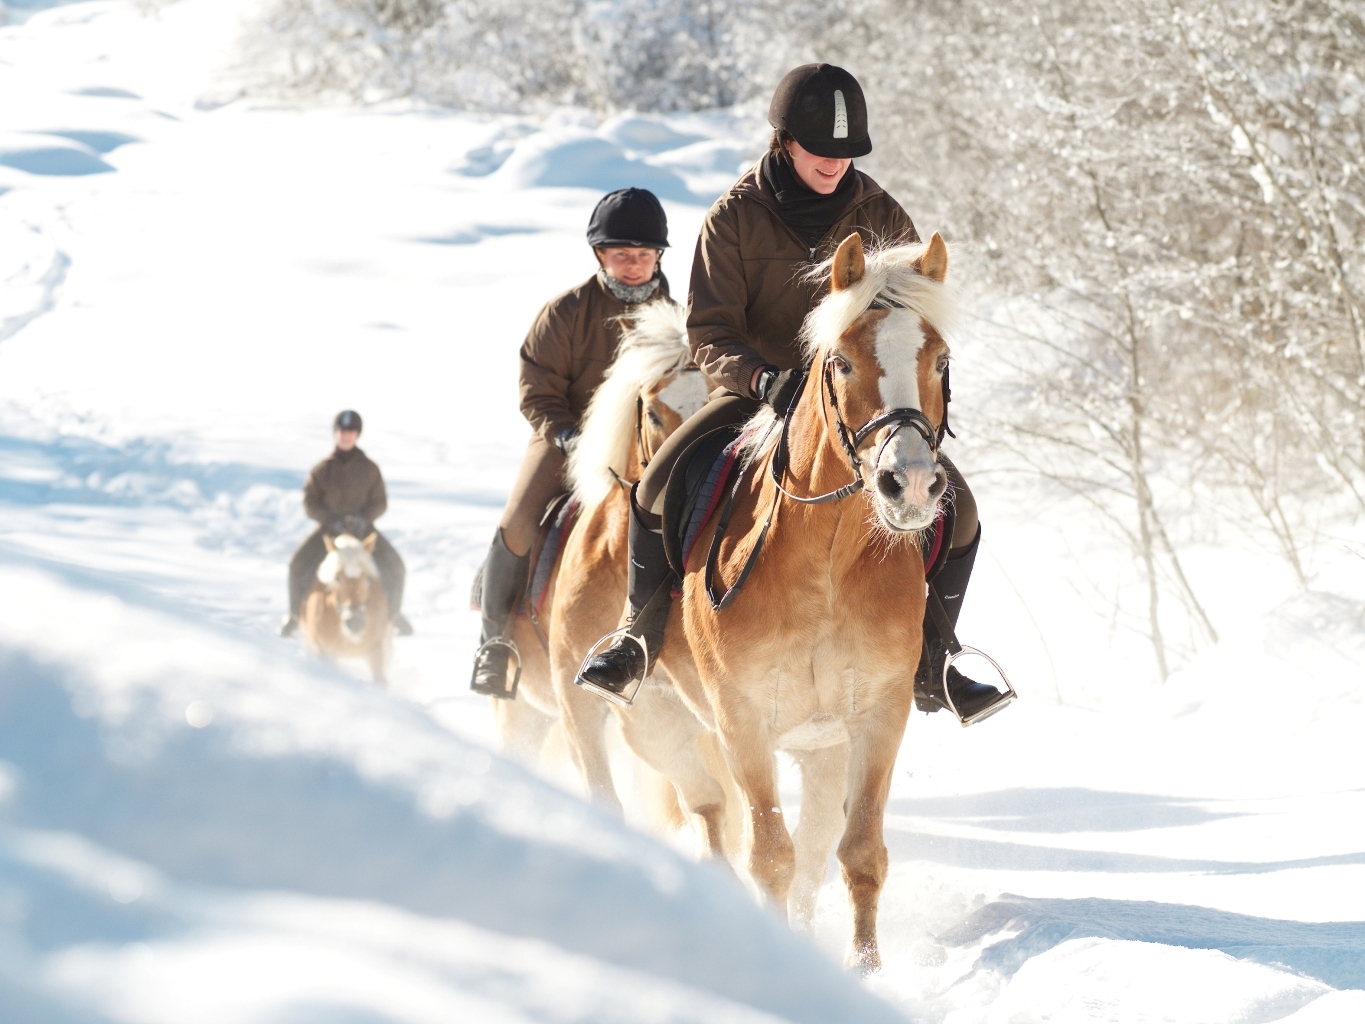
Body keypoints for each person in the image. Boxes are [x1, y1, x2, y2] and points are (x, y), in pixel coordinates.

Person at [579, 63, 1011, 725]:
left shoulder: (878, 211)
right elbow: (708, 328)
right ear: (784, 141)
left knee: (964, 511)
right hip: (757, 393)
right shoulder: (734, 216)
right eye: (820, 149)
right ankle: (638, 635)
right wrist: (758, 378)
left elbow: (908, 316)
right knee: (656, 486)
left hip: (858, 407)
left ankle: (935, 659)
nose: (835, 163)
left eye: (846, 152)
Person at [469, 188, 674, 697]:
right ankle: (495, 643)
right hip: (567, 442)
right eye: (621, 255)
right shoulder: (564, 313)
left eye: (643, 256)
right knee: (518, 519)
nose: (633, 266)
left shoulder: (676, 318)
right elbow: (536, 392)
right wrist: (567, 436)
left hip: (652, 447)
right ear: (600, 255)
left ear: (658, 258)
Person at [279, 409, 412, 638]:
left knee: (396, 566)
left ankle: (395, 614)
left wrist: (363, 519)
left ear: (357, 434)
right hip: (329, 531)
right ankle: (294, 615)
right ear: (335, 433)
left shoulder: (369, 468)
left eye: (350, 431)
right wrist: (330, 520)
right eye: (342, 431)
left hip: (363, 531)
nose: (345, 436)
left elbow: (380, 503)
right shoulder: (323, 469)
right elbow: (310, 503)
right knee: (296, 564)